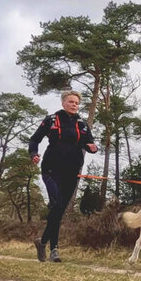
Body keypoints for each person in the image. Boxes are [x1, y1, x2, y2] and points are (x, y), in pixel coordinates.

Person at [29, 89, 98, 262]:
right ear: (63, 102)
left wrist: (93, 148)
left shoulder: (82, 123)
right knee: (57, 204)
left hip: (72, 171)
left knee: (58, 211)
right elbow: (34, 139)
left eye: (76, 103)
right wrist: (34, 154)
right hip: (51, 169)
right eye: (71, 102)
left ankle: (43, 242)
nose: (74, 105)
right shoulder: (52, 120)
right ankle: (54, 250)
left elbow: (89, 143)